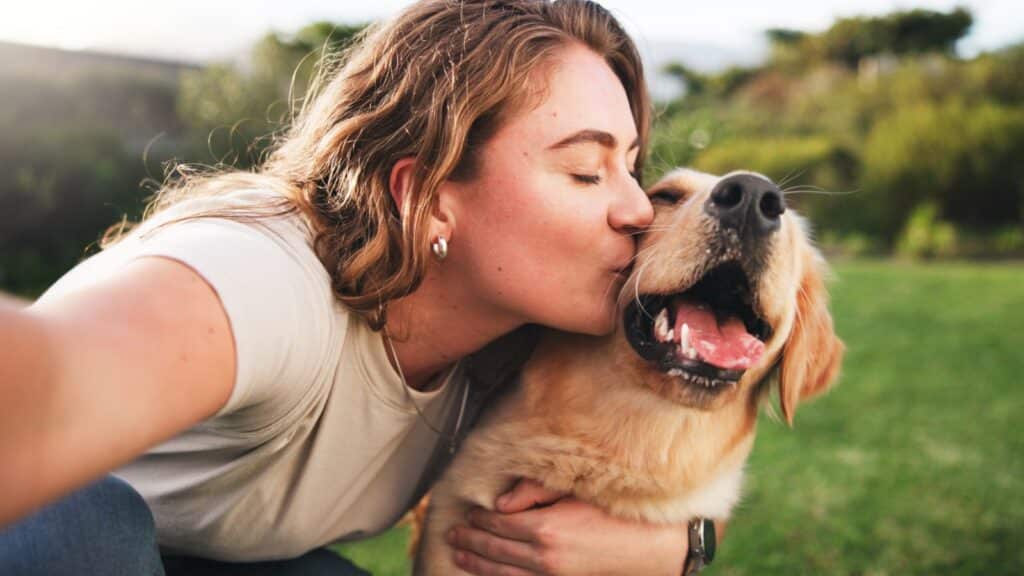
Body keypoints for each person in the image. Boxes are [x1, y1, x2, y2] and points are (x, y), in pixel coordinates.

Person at [0, 0, 703, 574]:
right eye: (586, 170)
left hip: (206, 558)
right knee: (77, 525)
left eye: (632, 167)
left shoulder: (526, 340)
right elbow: (47, 379)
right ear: (426, 196)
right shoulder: (264, 280)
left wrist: (677, 545)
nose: (639, 209)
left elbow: (693, 443)